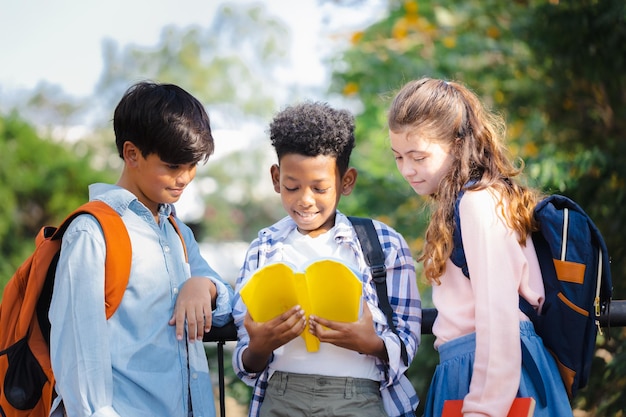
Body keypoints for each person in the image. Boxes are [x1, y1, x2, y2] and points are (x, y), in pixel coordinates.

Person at [388, 77, 573, 417]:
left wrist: (485, 408)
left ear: (457, 146)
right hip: (475, 369)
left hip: (491, 377)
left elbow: (498, 314)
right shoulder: (468, 200)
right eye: (398, 157)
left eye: (418, 156)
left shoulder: (477, 203)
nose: (407, 170)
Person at [48, 81, 234, 417]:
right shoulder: (92, 232)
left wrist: (201, 285)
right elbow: (79, 362)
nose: (185, 178)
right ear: (132, 154)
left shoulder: (176, 230)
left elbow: (225, 305)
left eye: (192, 165)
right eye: (173, 166)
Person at [231, 101, 421, 417]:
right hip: (282, 396)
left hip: (358, 398)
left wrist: (370, 342)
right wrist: (259, 347)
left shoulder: (383, 244)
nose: (305, 200)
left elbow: (409, 343)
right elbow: (246, 358)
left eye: (320, 188)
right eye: (292, 187)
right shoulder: (263, 248)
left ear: (346, 182)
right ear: (276, 178)